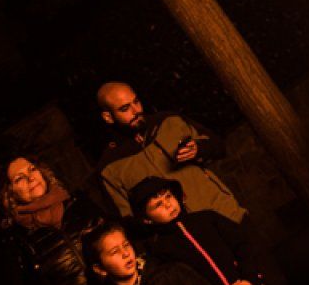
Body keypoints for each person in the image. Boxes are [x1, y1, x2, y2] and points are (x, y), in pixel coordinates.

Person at [95, 84, 244, 224]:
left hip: (225, 213)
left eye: (136, 101)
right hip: (184, 239)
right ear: (108, 117)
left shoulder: (169, 122)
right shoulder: (110, 167)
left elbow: (218, 146)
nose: (136, 110)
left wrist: (199, 148)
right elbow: (127, 220)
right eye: (125, 108)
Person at [129, 177, 270, 285]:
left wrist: (250, 280)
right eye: (158, 204)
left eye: (168, 196)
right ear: (146, 219)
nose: (168, 204)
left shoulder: (207, 218)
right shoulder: (159, 251)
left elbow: (244, 246)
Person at [0, 155, 103, 285]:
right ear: (10, 192)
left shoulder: (79, 204)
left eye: (32, 169)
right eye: (19, 178)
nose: (30, 177)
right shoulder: (18, 242)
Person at [83, 222, 218, 285]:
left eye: (126, 245)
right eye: (114, 252)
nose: (125, 253)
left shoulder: (172, 274)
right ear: (100, 269)